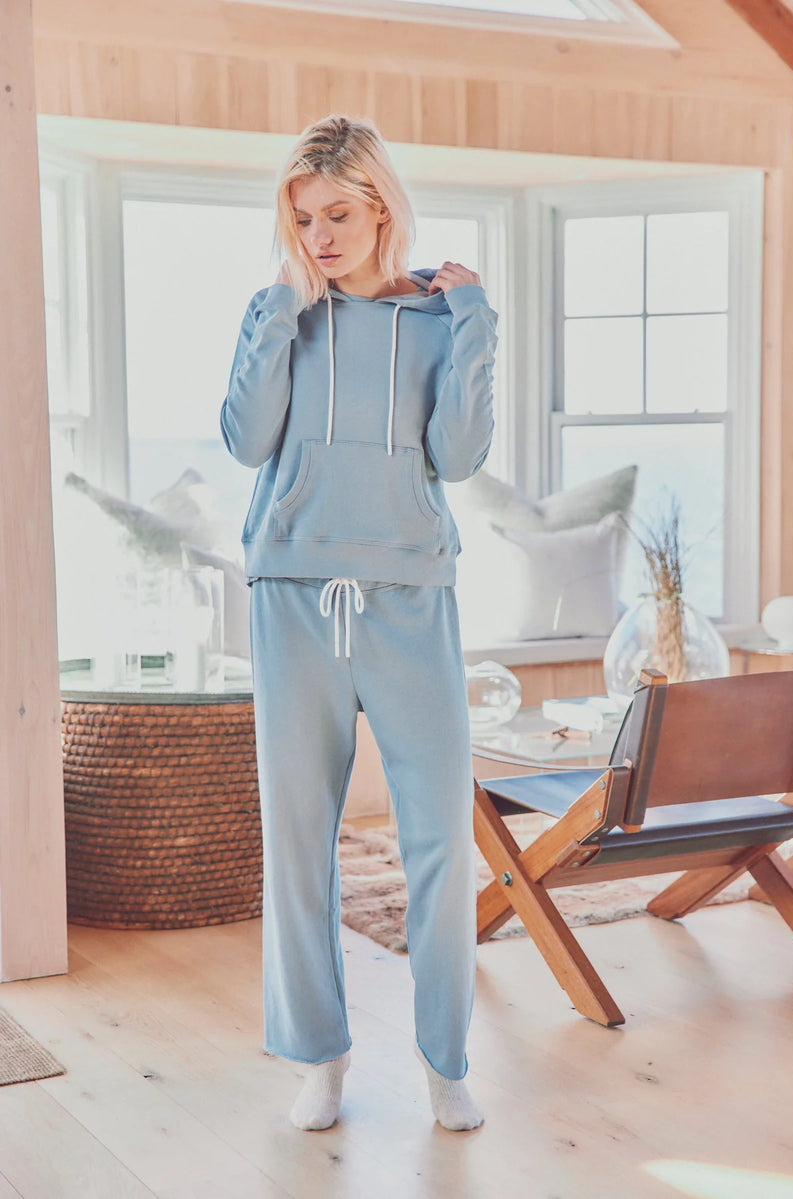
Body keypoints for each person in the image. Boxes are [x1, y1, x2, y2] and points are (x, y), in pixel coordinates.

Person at [220, 114, 498, 1133]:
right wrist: (280, 315)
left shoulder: (437, 319)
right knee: (299, 841)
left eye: (337, 214)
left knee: (435, 840)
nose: (320, 236)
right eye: (302, 219)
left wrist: (474, 318)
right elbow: (247, 438)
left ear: (382, 208)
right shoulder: (277, 306)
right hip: (292, 596)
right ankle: (319, 1055)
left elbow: (458, 455)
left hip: (410, 598)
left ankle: (444, 1062)